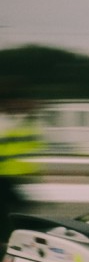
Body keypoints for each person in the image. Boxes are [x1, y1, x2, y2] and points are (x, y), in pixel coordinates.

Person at [0, 95, 42, 242]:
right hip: (4, 175)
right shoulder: (6, 122)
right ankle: (10, 237)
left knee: (12, 209)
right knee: (13, 208)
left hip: (10, 175)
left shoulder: (18, 122)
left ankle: (10, 236)